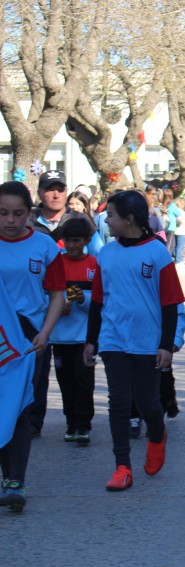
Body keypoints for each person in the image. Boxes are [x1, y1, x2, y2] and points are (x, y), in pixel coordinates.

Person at [83, 190, 185, 492]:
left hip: (147, 341)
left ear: (129, 219)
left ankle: (157, 433)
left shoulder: (157, 252)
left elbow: (170, 302)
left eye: (111, 215)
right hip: (113, 339)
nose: (106, 220)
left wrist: (167, 344)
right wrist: (92, 340)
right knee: (119, 403)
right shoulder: (107, 253)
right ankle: (122, 466)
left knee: (148, 403)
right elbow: (98, 302)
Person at [0, 181, 65, 511]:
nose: (10, 221)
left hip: (29, 340)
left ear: (30, 214)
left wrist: (45, 333)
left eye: (18, 214)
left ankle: (15, 482)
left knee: (21, 407)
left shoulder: (45, 247)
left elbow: (57, 294)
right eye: (3, 213)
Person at [46, 218, 98, 444]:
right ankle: (71, 423)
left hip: (84, 337)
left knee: (84, 381)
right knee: (65, 381)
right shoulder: (56, 263)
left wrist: (79, 301)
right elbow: (46, 296)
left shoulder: (94, 265)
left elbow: (98, 302)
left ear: (87, 240)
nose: (72, 245)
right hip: (60, 338)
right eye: (67, 240)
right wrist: (58, 306)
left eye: (76, 240)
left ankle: (84, 424)